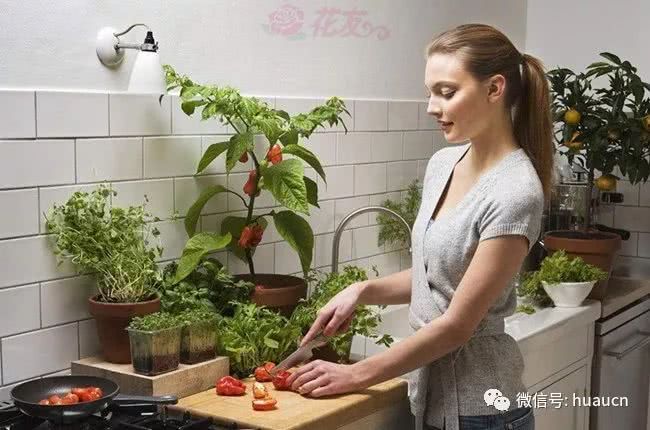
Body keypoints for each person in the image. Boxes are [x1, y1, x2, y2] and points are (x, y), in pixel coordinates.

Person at [286, 23, 553, 430]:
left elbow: (457, 326)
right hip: (433, 401)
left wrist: (356, 374)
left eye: (447, 92)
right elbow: (438, 277)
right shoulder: (443, 164)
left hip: (483, 414)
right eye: (430, 91)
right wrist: (361, 292)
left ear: (494, 89)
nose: (431, 106)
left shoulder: (516, 191)